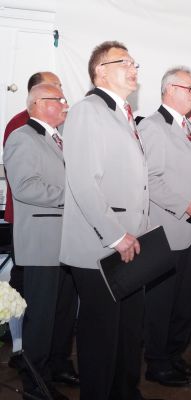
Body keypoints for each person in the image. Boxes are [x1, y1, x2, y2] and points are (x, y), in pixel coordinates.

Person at [60, 40, 152, 400]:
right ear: (100, 70)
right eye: (124, 62)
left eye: (134, 63)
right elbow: (84, 182)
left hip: (131, 242)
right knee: (101, 336)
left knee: (128, 331)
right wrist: (116, 236)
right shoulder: (88, 111)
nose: (133, 69)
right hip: (102, 246)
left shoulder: (122, 114)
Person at [139, 67, 191, 387]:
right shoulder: (152, 126)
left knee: (185, 303)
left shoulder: (189, 127)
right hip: (167, 231)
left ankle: (174, 355)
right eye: (190, 89)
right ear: (170, 89)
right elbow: (150, 179)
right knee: (162, 303)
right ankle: (157, 363)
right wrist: (186, 206)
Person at [4, 83, 77, 400]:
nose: (64, 104)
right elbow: (25, 187)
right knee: (41, 320)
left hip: (68, 243)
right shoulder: (22, 137)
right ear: (37, 103)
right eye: (58, 100)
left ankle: (58, 367)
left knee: (63, 314)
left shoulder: (61, 139)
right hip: (42, 244)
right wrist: (74, 197)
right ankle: (36, 385)